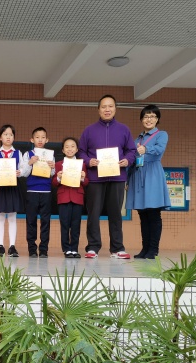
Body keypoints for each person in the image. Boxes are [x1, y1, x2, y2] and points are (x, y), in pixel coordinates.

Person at [77, 94, 136, 259]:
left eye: (110, 106)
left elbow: (131, 151)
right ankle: (93, 247)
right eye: (104, 107)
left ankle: (117, 248)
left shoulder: (124, 129)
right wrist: (88, 161)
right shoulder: (89, 130)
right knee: (93, 213)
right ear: (98, 110)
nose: (107, 109)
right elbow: (81, 151)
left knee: (116, 213)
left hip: (117, 178)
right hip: (95, 178)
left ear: (115, 109)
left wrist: (127, 160)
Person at [126, 105, 171, 259]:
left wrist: (146, 149)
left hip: (152, 174)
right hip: (137, 175)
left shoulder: (162, 134)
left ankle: (153, 250)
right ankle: (145, 249)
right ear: (141, 119)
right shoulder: (136, 139)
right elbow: (132, 160)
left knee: (153, 213)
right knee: (143, 214)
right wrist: (127, 179)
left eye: (152, 116)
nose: (149, 119)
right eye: (146, 116)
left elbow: (160, 150)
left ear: (157, 119)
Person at [0, 124, 27, 257]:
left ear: (14, 137)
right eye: (5, 134)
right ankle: (0, 246)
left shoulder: (18, 153)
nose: (8, 137)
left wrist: (20, 172)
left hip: (13, 186)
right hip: (0, 186)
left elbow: (23, 168)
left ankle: (12, 246)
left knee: (12, 217)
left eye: (11, 134)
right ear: (0, 137)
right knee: (0, 216)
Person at [52, 137, 89, 258]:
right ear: (63, 150)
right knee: (64, 224)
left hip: (77, 197)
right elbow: (54, 182)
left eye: (72, 146)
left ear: (77, 149)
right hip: (63, 198)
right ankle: (66, 249)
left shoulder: (82, 164)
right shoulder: (58, 164)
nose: (70, 149)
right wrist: (58, 177)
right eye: (67, 147)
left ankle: (74, 249)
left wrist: (83, 177)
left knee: (76, 225)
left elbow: (86, 182)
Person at [22, 127, 55, 258]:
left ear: (47, 140)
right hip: (32, 191)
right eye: (37, 137)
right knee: (31, 220)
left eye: (43, 137)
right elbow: (23, 173)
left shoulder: (50, 155)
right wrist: (30, 163)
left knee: (45, 221)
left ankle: (44, 249)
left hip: (46, 191)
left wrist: (52, 167)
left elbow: (52, 174)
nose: (40, 140)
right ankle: (32, 249)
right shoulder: (28, 154)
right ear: (32, 139)